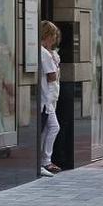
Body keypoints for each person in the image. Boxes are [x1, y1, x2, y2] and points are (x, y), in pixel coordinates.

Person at [39, 20, 62, 177]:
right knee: (53, 127)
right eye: (53, 36)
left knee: (46, 129)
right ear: (46, 35)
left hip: (48, 97)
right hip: (46, 98)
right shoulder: (45, 54)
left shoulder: (45, 52)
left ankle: (43, 160)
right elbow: (52, 76)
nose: (54, 40)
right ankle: (45, 160)